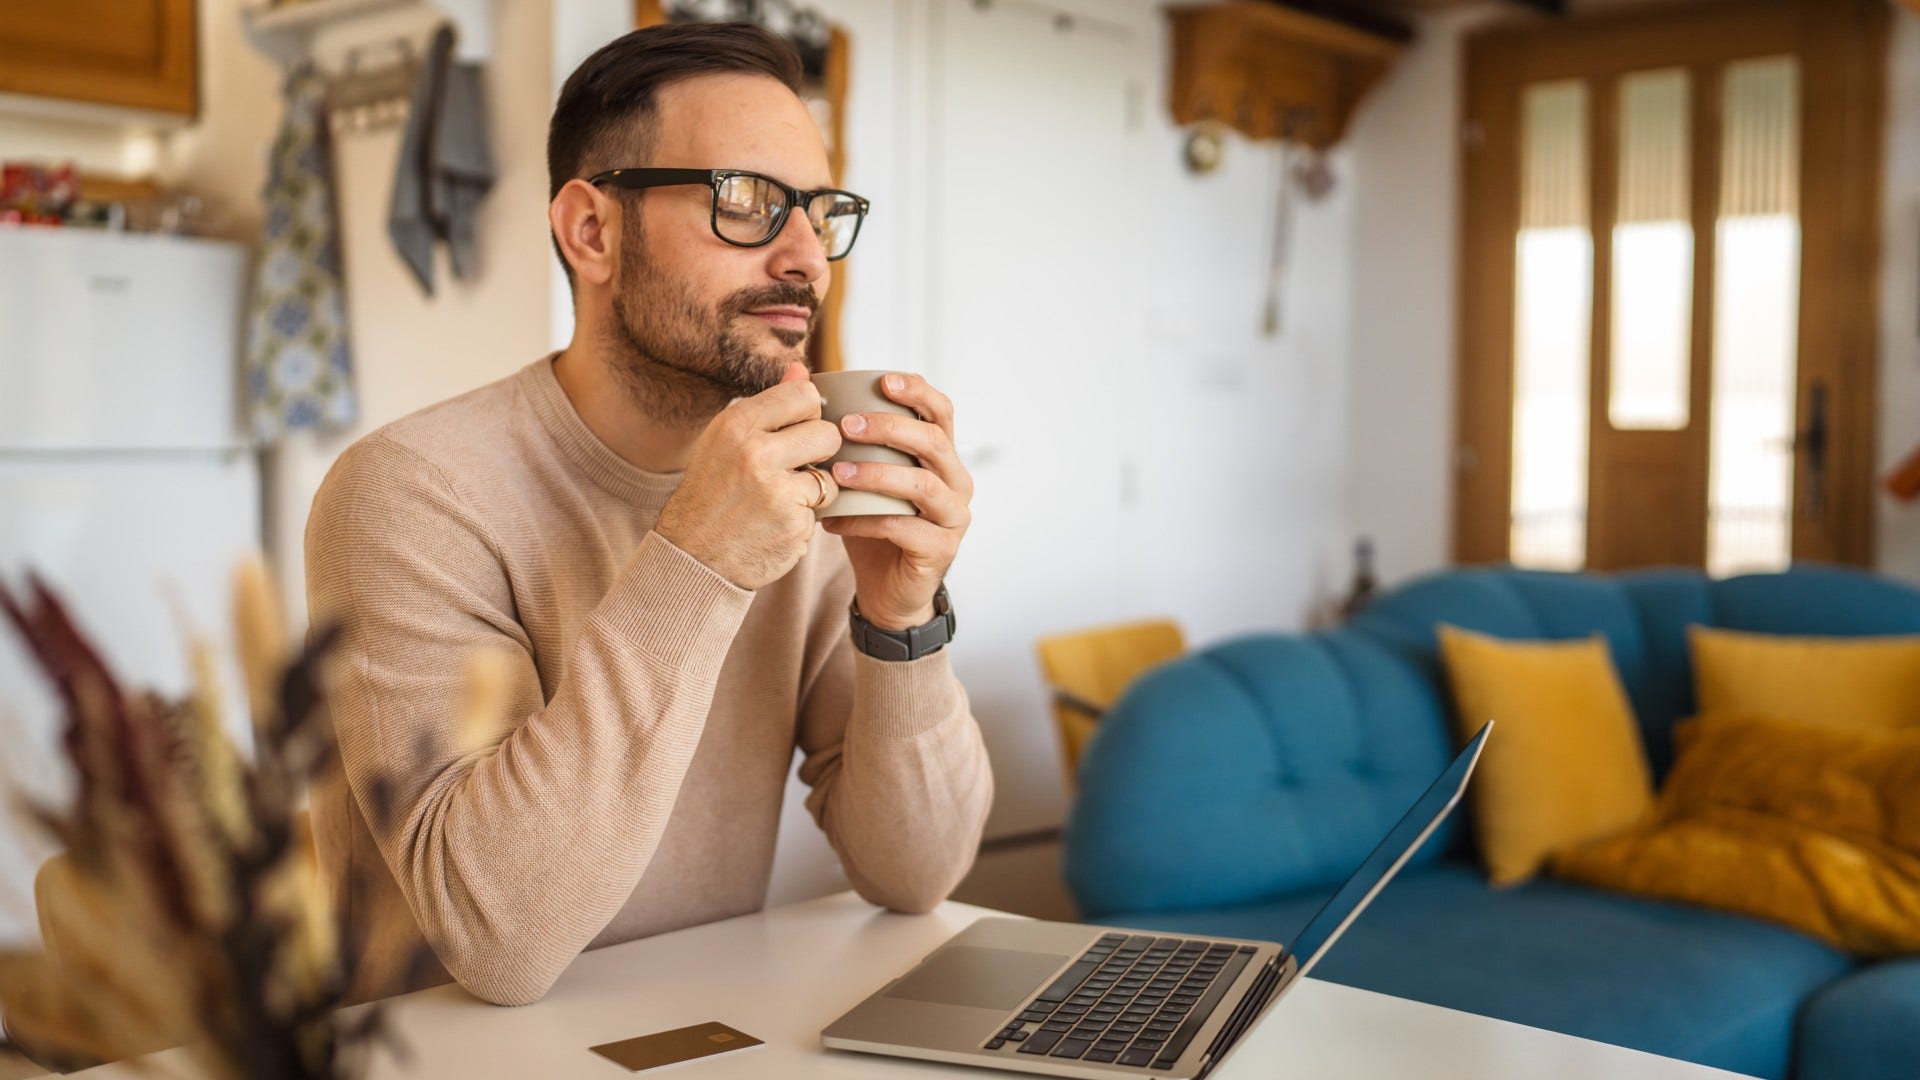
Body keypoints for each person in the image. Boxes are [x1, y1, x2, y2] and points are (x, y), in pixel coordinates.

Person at [304, 21, 991, 1008]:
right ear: (592, 231)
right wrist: (698, 564)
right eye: (748, 201)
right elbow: (500, 943)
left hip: (710, 1033)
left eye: (822, 210)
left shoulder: (808, 475)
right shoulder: (410, 492)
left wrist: (903, 618)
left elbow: (916, 873)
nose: (807, 258)